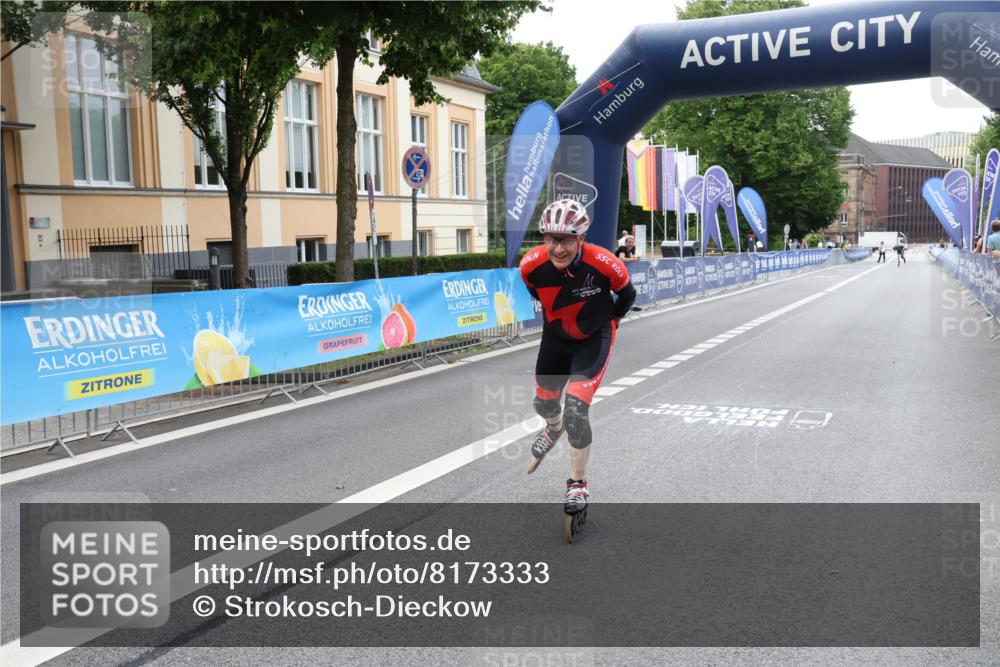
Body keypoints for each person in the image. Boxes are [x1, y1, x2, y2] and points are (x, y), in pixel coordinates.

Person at [520, 199, 636, 516]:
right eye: (551, 239)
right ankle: (552, 428)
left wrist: (609, 320)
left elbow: (627, 295)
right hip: (556, 338)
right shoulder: (530, 265)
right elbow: (537, 292)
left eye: (566, 240)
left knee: (576, 409)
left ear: (581, 238)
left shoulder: (604, 262)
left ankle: (577, 484)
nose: (558, 248)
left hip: (593, 339)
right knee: (543, 403)